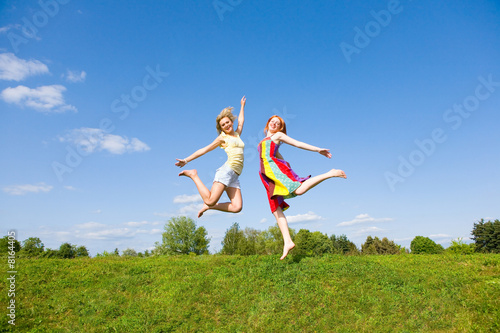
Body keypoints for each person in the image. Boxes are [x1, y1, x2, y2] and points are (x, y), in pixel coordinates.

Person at [258, 115, 346, 260]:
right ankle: (287, 241)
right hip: (267, 175)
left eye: (278, 123)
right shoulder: (264, 141)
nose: (274, 123)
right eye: (272, 121)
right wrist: (286, 165)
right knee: (275, 208)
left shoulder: (278, 136)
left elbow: (297, 143)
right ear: (268, 123)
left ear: (280, 128)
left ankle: (329, 173)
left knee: (298, 190)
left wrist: (318, 150)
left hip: (274, 171)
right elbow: (278, 156)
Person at [176, 96, 246, 218]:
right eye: (223, 125)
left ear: (231, 122)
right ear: (221, 128)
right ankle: (193, 175)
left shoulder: (236, 134)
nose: (226, 125)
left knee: (237, 207)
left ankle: (210, 207)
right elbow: (204, 150)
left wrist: (242, 106)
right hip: (227, 171)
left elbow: (241, 122)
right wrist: (186, 160)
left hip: (235, 176)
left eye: (227, 122)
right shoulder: (222, 138)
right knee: (209, 199)